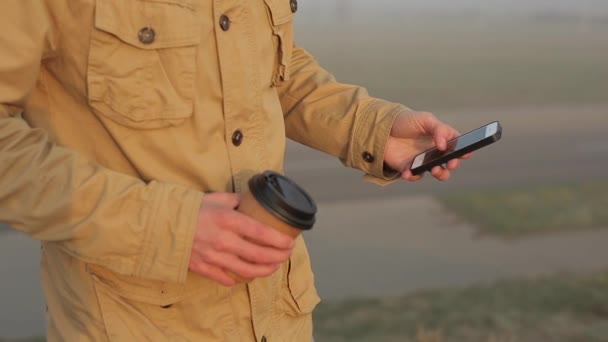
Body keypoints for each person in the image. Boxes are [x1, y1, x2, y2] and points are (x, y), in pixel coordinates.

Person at [0, 0, 468, 340]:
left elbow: (273, 68)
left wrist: (373, 127)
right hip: (134, 322)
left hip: (277, 316)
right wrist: (167, 229)